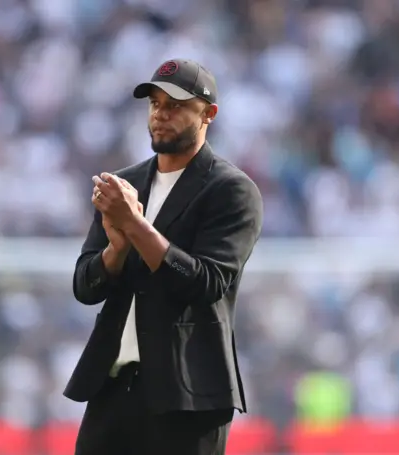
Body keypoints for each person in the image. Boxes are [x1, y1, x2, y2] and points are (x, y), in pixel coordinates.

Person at [63, 58, 264, 454]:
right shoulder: (126, 184)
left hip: (187, 398)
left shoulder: (232, 191)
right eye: (155, 103)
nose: (161, 114)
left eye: (175, 105)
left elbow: (205, 283)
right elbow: (85, 285)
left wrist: (135, 227)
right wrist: (115, 252)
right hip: (113, 389)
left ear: (209, 114)